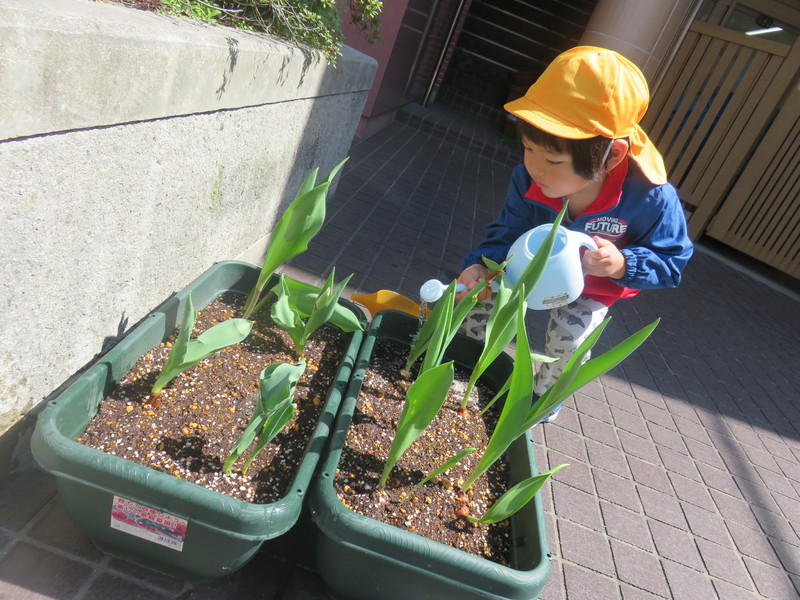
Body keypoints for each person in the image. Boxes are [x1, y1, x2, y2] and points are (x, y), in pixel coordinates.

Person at [456, 46, 693, 422]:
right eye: (528, 148)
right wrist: (479, 266)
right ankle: (459, 369)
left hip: (589, 289)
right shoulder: (528, 177)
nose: (536, 168)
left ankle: (537, 404)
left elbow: (672, 260)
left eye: (553, 159)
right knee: (476, 301)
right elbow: (508, 231)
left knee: (570, 343)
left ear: (612, 156)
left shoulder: (651, 197)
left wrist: (622, 264)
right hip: (524, 269)